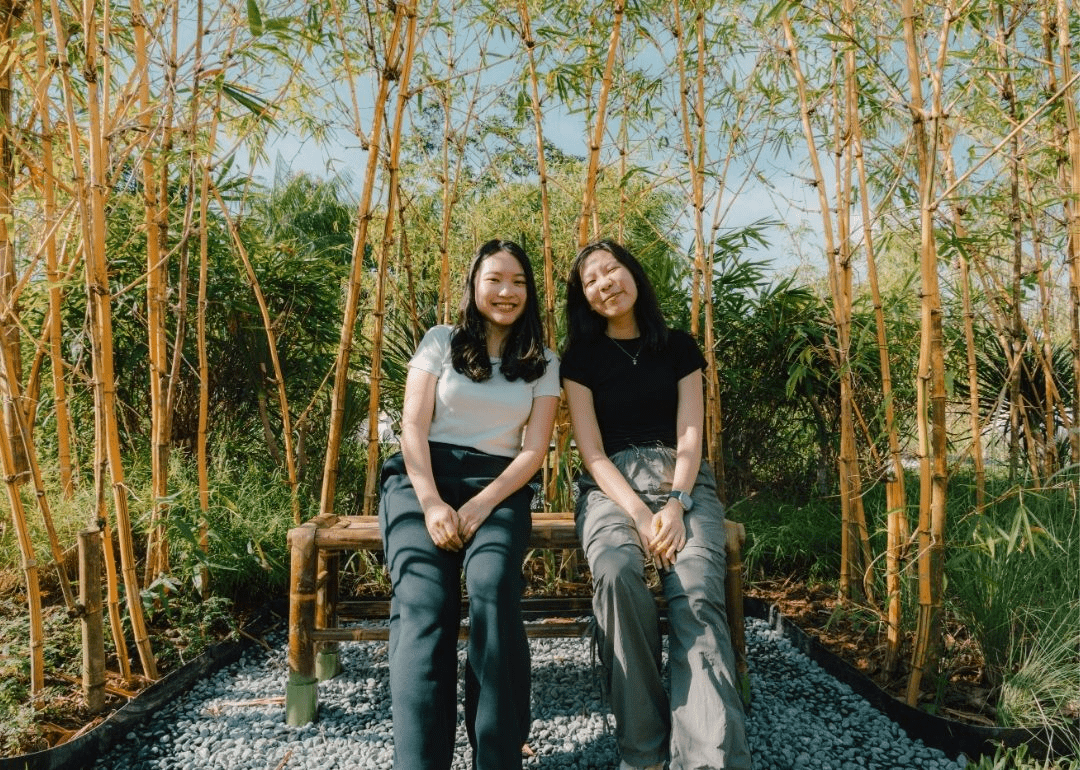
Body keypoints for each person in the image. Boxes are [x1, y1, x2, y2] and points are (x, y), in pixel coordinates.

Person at [560, 240, 752, 770]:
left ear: (633, 273)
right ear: (584, 298)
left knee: (696, 590)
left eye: (612, 270)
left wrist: (675, 504)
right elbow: (592, 453)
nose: (604, 283)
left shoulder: (678, 347)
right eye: (591, 280)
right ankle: (642, 750)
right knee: (617, 572)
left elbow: (690, 433)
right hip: (611, 488)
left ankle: (708, 758)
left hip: (680, 481)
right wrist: (642, 516)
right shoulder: (580, 359)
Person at [378, 239, 560, 770]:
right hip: (421, 478)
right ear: (474, 285)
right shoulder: (441, 341)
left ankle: (498, 758)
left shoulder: (544, 361)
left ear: (530, 292)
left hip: (499, 485)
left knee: (493, 586)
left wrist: (483, 503)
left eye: (518, 282)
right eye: (494, 279)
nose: (506, 291)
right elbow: (412, 427)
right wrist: (431, 501)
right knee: (424, 602)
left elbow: (533, 450)